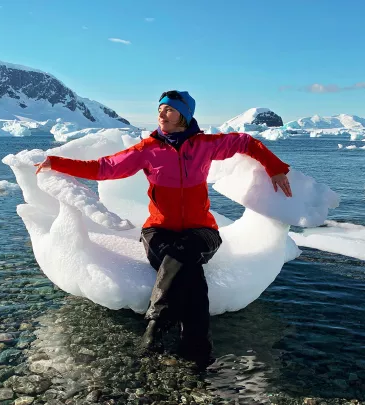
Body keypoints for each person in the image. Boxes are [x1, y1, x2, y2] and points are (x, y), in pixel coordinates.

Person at [35, 90, 292, 370]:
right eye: (159, 109)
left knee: (183, 257)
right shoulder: (147, 150)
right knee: (187, 268)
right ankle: (196, 345)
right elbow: (104, 168)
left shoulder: (204, 145)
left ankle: (156, 326)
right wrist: (57, 162)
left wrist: (276, 168)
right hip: (158, 231)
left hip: (201, 231)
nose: (161, 114)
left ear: (184, 115)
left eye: (168, 109)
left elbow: (245, 142)